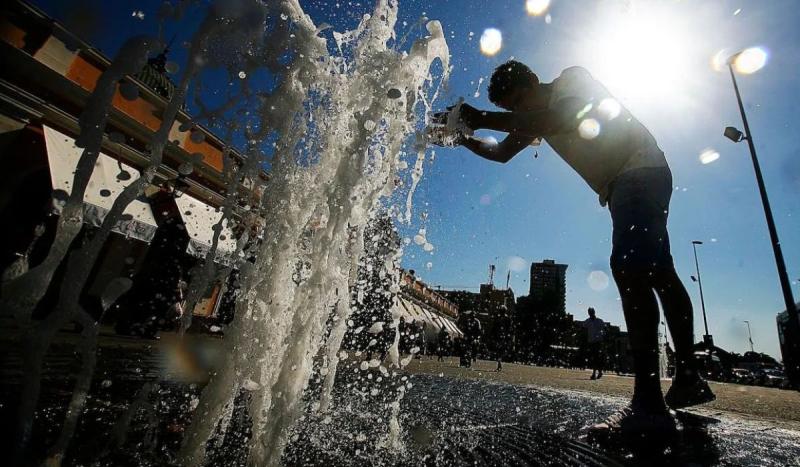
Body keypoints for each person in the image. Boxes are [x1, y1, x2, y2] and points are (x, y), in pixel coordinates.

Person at [437, 61, 715, 438]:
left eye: (521, 102)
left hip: (637, 169)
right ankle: (688, 377)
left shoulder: (570, 80)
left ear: (534, 82)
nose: (520, 114)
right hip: (627, 183)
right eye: (512, 110)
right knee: (661, 273)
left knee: (630, 268)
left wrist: (481, 116)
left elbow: (562, 116)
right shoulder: (534, 117)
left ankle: (649, 405)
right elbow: (502, 153)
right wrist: (461, 138)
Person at [582, 307, 606, 380]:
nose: (590, 313)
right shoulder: (588, 321)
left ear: (594, 312)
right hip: (591, 342)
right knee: (594, 358)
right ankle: (599, 372)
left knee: (595, 357)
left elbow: (604, 330)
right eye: (589, 312)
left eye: (591, 312)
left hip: (597, 342)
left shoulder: (599, 321)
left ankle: (594, 374)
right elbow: (583, 328)